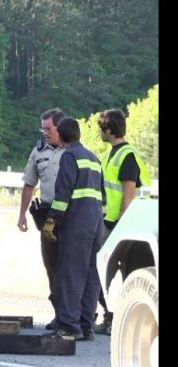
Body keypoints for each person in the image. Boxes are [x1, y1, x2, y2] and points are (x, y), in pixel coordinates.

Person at [42, 117, 105, 341]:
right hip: (96, 224)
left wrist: (52, 220)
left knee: (70, 274)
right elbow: (102, 196)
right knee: (90, 275)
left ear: (61, 135)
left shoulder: (69, 156)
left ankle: (69, 326)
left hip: (76, 223)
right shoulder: (94, 158)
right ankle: (85, 326)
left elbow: (63, 194)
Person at [93, 109, 152, 335]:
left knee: (127, 272)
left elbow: (128, 194)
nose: (100, 132)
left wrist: (122, 226)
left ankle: (123, 322)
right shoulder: (111, 155)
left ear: (109, 129)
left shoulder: (127, 155)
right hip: (109, 220)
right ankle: (110, 318)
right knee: (101, 270)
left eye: (101, 128)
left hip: (126, 223)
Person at [18, 107, 66, 330]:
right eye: (43, 128)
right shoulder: (38, 151)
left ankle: (83, 316)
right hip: (47, 216)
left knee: (73, 267)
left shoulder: (73, 150)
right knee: (52, 266)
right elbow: (29, 183)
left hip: (71, 216)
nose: (45, 132)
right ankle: (59, 314)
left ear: (60, 127)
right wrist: (22, 215)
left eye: (49, 128)